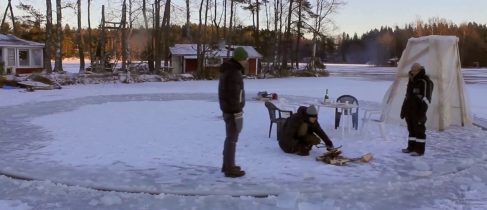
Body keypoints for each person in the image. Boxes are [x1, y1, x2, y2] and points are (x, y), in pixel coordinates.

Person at [218, 47, 248, 177]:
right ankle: (229, 168)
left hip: (228, 109)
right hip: (232, 111)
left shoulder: (230, 70)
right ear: (240, 59)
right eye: (245, 59)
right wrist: (237, 110)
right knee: (232, 139)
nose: (247, 62)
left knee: (230, 138)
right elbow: (234, 95)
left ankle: (227, 165)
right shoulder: (234, 73)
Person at [400, 63, 432, 156]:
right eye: (412, 71)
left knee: (419, 131)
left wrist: (422, 114)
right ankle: (411, 147)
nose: (412, 72)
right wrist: (403, 110)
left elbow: (426, 100)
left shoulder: (424, 82)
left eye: (414, 71)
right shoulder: (411, 81)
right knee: (411, 130)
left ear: (419, 71)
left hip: (418, 112)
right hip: (409, 111)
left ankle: (419, 150)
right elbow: (407, 97)